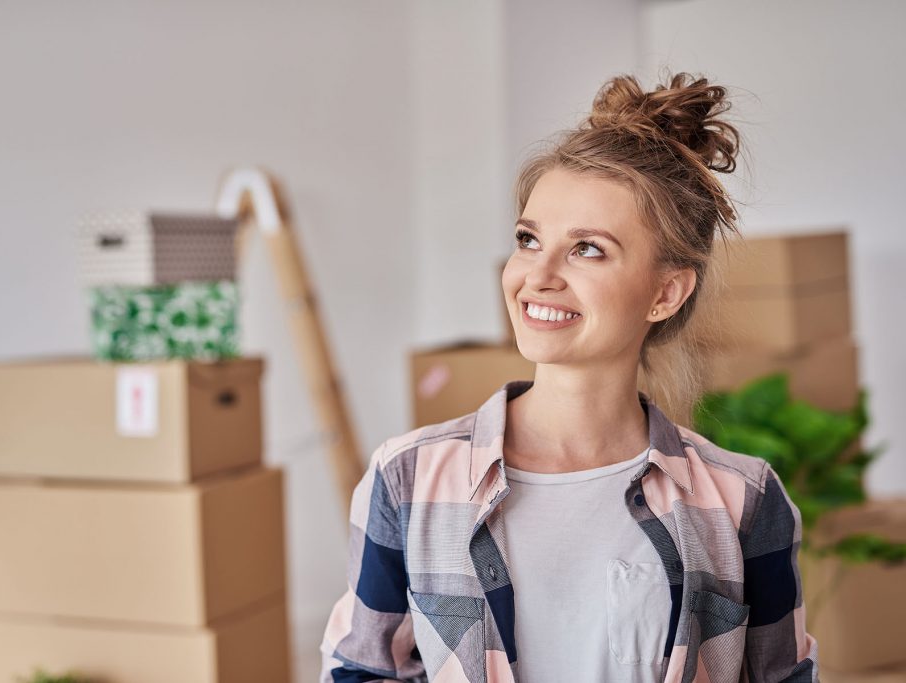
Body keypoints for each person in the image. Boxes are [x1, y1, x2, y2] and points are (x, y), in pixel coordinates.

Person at [319, 70, 819, 682]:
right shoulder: (407, 480)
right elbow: (360, 670)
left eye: (587, 249)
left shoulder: (744, 501)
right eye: (528, 239)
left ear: (665, 291)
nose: (538, 275)